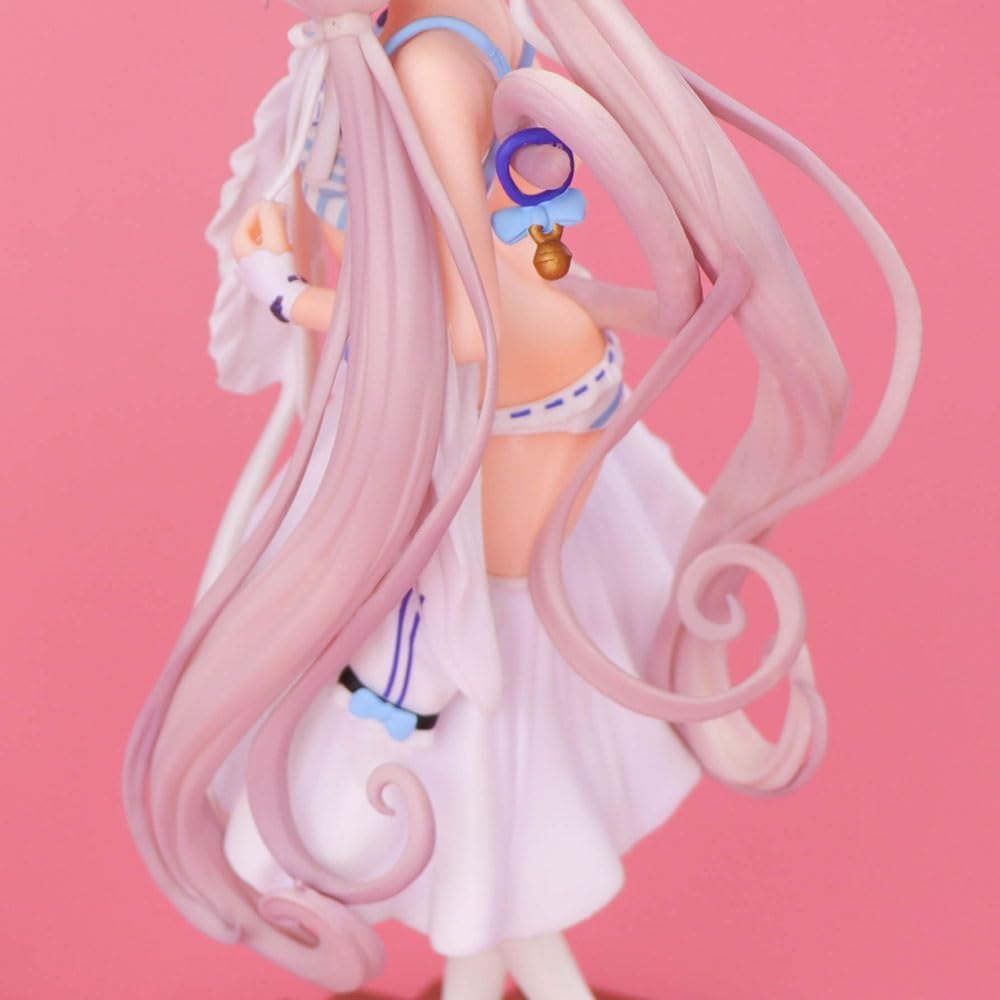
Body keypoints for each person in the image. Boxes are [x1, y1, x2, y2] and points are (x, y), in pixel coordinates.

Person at [123, 2, 921, 997]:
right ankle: (501, 969)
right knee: (489, 733)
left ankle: (512, 963)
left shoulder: (429, 63)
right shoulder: (475, 16)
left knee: (468, 707)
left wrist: (285, 293)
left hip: (506, 420)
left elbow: (462, 328)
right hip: (539, 393)